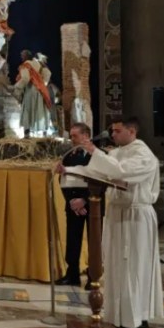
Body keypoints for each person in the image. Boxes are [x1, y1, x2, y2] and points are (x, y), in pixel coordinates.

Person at [57, 117, 163, 328]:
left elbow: (121, 172)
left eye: (117, 131)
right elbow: (97, 171)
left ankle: (136, 317)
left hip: (135, 216)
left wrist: (95, 151)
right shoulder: (118, 153)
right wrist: (68, 171)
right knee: (117, 264)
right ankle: (117, 314)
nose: (112, 135)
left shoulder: (143, 154)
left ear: (131, 131)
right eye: (112, 131)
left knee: (133, 265)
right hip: (117, 214)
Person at [55, 122, 99, 288]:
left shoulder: (96, 155)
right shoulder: (69, 155)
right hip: (73, 204)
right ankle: (72, 274)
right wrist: (72, 201)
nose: (71, 139)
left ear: (86, 136)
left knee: (94, 241)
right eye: (71, 136)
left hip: (93, 205)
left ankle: (93, 276)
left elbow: (100, 181)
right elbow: (63, 180)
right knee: (72, 239)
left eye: (75, 136)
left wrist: (84, 200)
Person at [12, 49, 54, 137]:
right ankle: (44, 133)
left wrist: (17, 87)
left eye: (22, 55)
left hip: (30, 90)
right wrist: (42, 84)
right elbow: (48, 73)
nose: (21, 57)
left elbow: (25, 78)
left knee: (27, 108)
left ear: (26, 56)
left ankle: (27, 133)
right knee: (40, 109)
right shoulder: (39, 64)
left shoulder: (26, 65)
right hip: (40, 90)